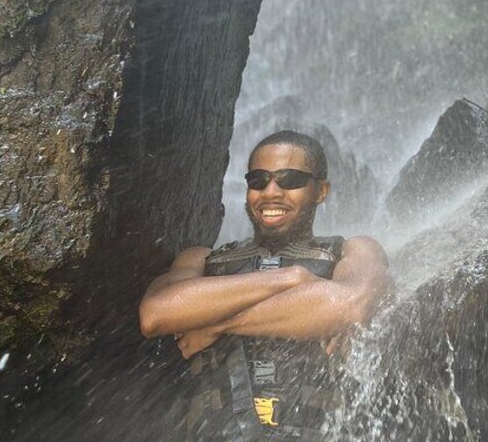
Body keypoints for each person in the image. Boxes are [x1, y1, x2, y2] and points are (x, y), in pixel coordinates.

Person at [139, 130, 391, 440]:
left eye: (289, 179)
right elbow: (156, 313)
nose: (271, 192)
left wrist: (212, 321)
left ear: (321, 190)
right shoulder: (201, 259)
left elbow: (352, 307)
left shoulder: (353, 250)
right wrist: (293, 280)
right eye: (258, 180)